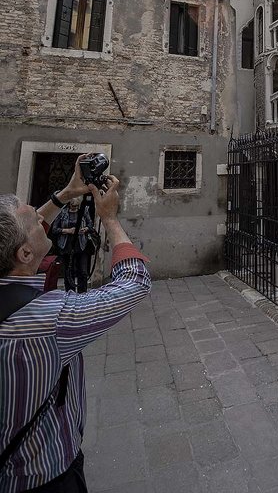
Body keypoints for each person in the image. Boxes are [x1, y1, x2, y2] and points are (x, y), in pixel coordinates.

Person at [0, 155, 151, 492]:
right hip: (43, 476)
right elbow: (135, 281)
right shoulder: (47, 319)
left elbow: (28, 226)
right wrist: (109, 219)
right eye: (34, 222)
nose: (42, 220)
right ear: (24, 255)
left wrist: (67, 193)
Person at [50, 196, 98, 293]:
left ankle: (82, 293)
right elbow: (54, 229)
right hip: (67, 244)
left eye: (76, 206)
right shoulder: (62, 212)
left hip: (81, 244)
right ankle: (70, 293)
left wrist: (86, 229)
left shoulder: (83, 211)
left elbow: (90, 225)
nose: (74, 208)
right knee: (69, 271)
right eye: (73, 206)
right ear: (69, 204)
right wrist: (67, 230)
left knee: (83, 271)